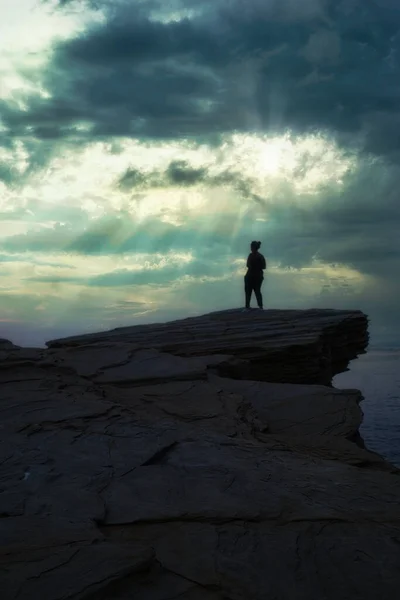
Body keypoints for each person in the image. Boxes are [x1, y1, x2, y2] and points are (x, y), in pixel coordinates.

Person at [244, 240, 266, 310]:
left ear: (253, 247)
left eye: (251, 246)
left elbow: (248, 265)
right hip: (254, 276)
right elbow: (263, 266)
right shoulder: (260, 256)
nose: (250, 248)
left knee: (253, 291)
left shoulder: (255, 256)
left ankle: (252, 306)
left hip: (253, 276)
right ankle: (258, 306)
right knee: (254, 291)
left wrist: (254, 266)